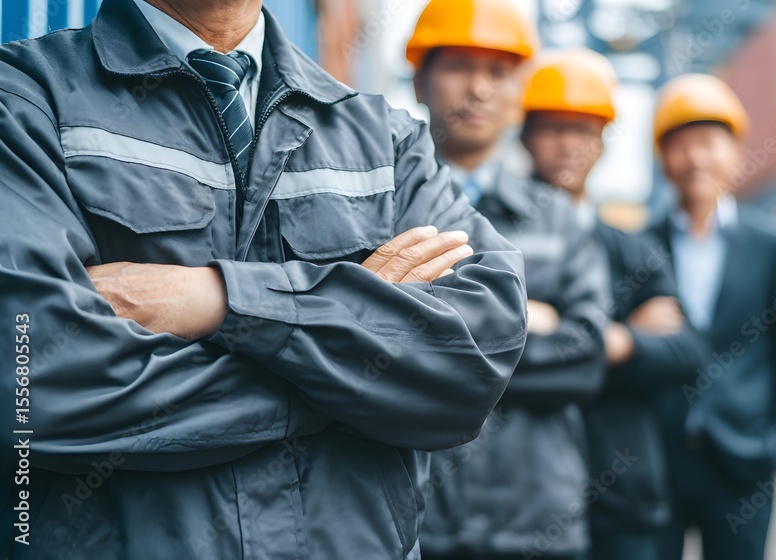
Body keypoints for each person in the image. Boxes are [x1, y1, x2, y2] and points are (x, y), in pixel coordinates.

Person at [0, 0, 529, 557]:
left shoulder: (386, 139)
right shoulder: (26, 99)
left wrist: (218, 299)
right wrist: (349, 371)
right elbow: (32, 386)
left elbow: (477, 354)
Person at [407, 3, 608, 560]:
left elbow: (586, 359)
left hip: (538, 521)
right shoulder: (381, 210)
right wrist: (524, 323)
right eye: (459, 66)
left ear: (518, 91)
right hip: (415, 522)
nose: (478, 88)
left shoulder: (557, 216)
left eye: (497, 72)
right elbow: (358, 353)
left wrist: (430, 337)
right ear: (420, 80)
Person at [518, 49, 707, 560]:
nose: (567, 143)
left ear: (602, 141)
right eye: (552, 128)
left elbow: (687, 352)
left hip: (622, 494)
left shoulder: (634, 250)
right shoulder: (495, 241)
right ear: (525, 136)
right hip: (524, 499)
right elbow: (492, 356)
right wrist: (627, 335)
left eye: (583, 130)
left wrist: (575, 333)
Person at [647, 74, 776, 560]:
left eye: (708, 142)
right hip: (659, 462)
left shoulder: (771, 245)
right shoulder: (641, 245)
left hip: (744, 462)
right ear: (664, 158)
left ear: (736, 154)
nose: (695, 157)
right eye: (681, 144)